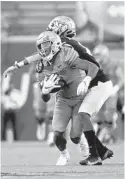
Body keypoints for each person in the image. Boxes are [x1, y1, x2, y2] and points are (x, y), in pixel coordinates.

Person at [3, 30, 113, 166]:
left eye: (46, 45)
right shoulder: (41, 66)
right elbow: (45, 98)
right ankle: (64, 154)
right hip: (63, 99)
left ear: (55, 44)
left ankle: (85, 142)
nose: (43, 50)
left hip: (79, 97)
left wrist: (86, 80)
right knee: (56, 136)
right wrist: (44, 90)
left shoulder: (67, 53)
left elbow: (91, 66)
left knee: (75, 137)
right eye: (41, 47)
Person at [47, 16, 114, 165]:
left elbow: (93, 66)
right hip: (95, 84)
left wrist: (87, 79)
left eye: (55, 27)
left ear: (63, 29)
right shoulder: (69, 44)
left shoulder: (67, 44)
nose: (51, 31)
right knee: (83, 117)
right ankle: (102, 151)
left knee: (83, 115)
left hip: (99, 83)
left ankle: (95, 155)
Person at [1, 71, 30, 141]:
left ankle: (15, 140)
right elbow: (4, 95)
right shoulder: (5, 95)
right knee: (4, 126)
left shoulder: (15, 93)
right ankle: (3, 139)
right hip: (6, 111)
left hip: (12, 111)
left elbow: (17, 102)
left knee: (14, 126)